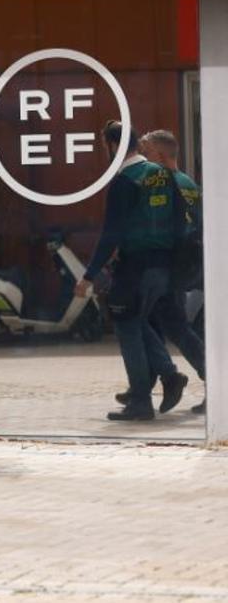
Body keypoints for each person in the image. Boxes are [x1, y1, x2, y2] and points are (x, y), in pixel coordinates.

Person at [75, 121, 176, 421]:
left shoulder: (124, 181)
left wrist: (89, 275)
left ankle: (141, 401)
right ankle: (169, 377)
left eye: (104, 146)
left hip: (135, 267)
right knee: (138, 321)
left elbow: (111, 234)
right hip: (164, 266)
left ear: (114, 145)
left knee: (127, 327)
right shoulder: (162, 174)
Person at [140, 129, 206, 415]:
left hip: (167, 263)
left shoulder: (162, 183)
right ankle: (144, 387)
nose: (143, 156)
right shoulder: (188, 182)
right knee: (166, 324)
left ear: (160, 155)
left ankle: (152, 387)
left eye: (146, 151)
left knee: (158, 323)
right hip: (187, 262)